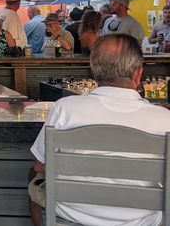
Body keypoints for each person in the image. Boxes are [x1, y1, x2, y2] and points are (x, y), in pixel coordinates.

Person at [28, 34, 170, 226]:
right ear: (138, 74)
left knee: (33, 178)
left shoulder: (65, 108)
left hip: (70, 215)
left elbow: (39, 166)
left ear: (94, 72)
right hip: (142, 220)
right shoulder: (164, 120)